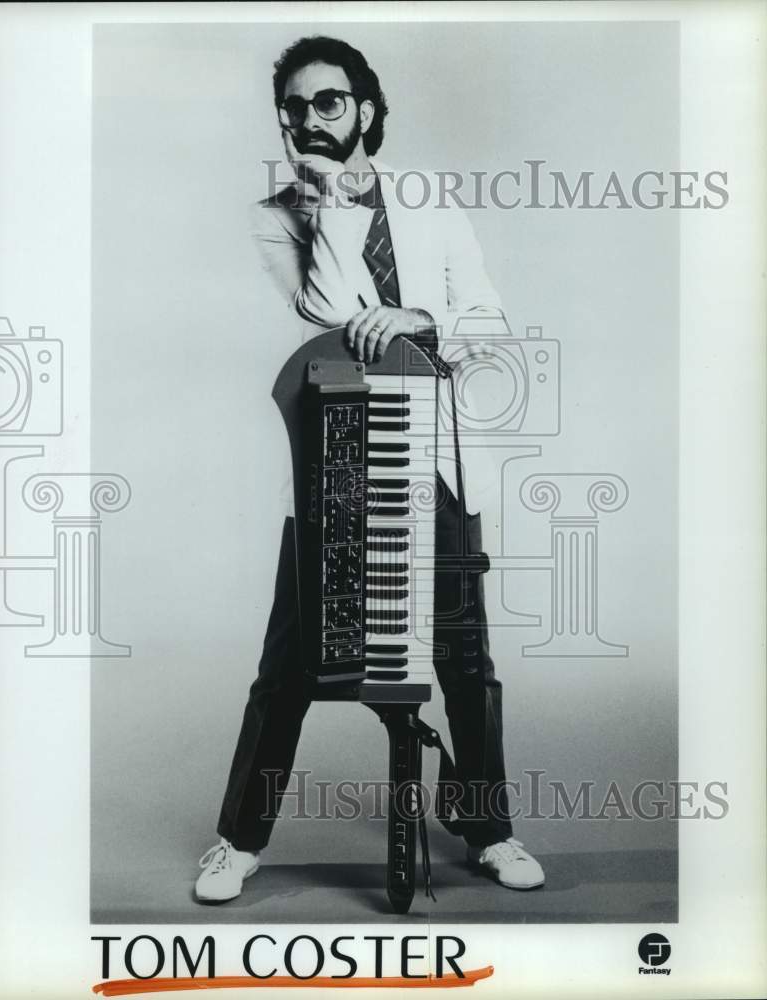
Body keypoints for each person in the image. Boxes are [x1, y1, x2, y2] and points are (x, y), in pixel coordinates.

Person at [195, 35, 544, 903]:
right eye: (295, 108)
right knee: (293, 659)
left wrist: (421, 314)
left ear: (367, 110)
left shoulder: (433, 202)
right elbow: (332, 316)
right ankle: (239, 839)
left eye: (329, 103)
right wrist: (325, 204)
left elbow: (488, 319)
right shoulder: (275, 213)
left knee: (465, 657)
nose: (310, 119)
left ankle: (490, 827)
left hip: (441, 453)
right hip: (337, 457)